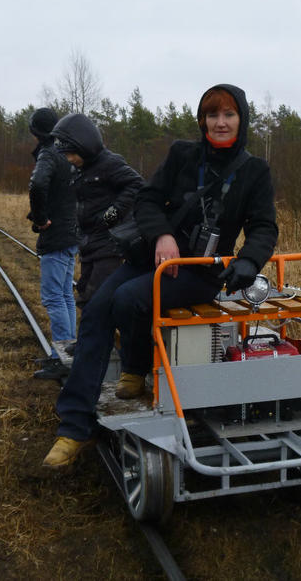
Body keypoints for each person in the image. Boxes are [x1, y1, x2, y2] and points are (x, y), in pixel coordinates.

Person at [43, 83, 278, 467]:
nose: (220, 123)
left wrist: (249, 262)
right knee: (98, 309)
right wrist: (162, 234)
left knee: (129, 298)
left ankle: (135, 367)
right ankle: (73, 426)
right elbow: (148, 198)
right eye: (212, 115)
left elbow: (264, 226)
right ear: (202, 120)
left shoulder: (254, 171)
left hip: (200, 272)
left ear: (241, 119)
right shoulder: (183, 155)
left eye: (228, 115)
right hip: (155, 257)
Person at [50, 113, 144, 309]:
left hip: (108, 245)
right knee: (85, 294)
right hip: (88, 244)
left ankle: (98, 339)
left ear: (84, 146)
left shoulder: (110, 163)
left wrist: (113, 213)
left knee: (97, 301)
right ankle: (93, 339)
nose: (69, 159)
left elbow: (136, 185)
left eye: (71, 153)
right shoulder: (79, 169)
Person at [28, 107, 80, 381]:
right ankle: (67, 351)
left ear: (36, 132)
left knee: (53, 297)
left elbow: (37, 186)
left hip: (57, 234)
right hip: (71, 231)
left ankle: (63, 357)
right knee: (65, 294)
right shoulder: (68, 152)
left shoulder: (49, 153)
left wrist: (40, 218)